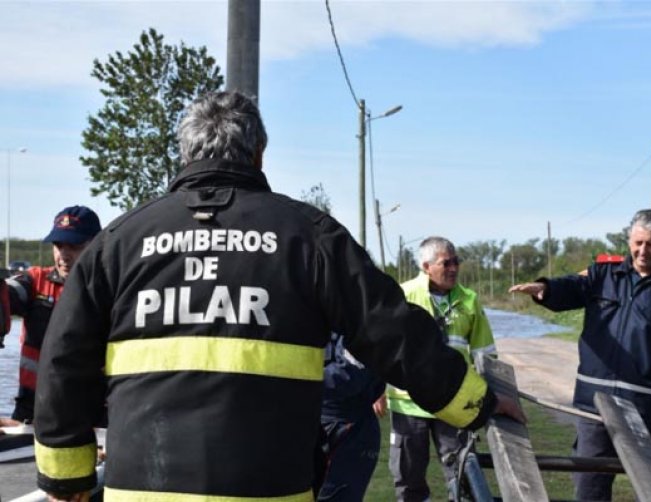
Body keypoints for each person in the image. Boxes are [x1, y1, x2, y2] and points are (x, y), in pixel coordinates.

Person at [32, 91, 524, 502]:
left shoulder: (120, 241)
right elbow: (393, 332)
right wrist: (477, 403)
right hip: (268, 489)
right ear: (258, 154)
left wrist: (66, 478)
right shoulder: (307, 236)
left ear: (186, 153)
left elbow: (64, 357)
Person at [509, 208, 651, 502]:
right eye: (637, 243)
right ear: (629, 240)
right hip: (594, 405)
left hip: (646, 409)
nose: (643, 250)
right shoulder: (604, 274)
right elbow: (572, 286)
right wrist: (545, 288)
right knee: (589, 486)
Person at [387, 236, 496, 502]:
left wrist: (490, 398)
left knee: (463, 475)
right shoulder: (403, 295)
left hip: (457, 403)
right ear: (426, 266)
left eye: (456, 261)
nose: (454, 268)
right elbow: (384, 346)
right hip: (408, 404)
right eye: (446, 263)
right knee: (408, 477)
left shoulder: (469, 300)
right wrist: (376, 390)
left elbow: (486, 355)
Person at [0, 205, 101, 423]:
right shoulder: (35, 281)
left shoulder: (113, 290)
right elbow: (9, 293)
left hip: (94, 414)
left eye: (74, 246)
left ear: (97, 245)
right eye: (58, 245)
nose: (63, 254)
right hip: (32, 412)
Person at [317, 332, 385, 501]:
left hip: (350, 428)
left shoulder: (357, 318)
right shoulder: (307, 315)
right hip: (313, 420)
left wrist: (298, 383)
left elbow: (350, 375)